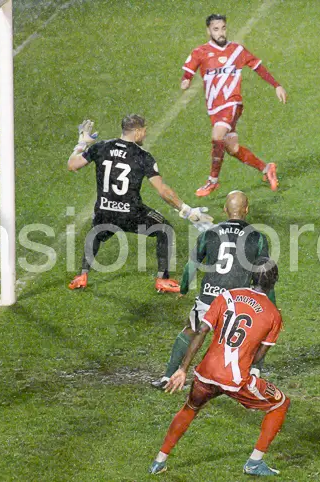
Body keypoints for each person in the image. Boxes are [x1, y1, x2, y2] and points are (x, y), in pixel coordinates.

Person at [149, 258, 288, 477]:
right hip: (235, 379)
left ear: (252, 277)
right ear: (275, 281)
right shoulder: (273, 314)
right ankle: (254, 463)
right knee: (280, 404)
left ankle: (159, 461)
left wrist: (183, 368)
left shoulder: (227, 296)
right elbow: (258, 355)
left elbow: (202, 331)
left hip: (206, 373)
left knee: (190, 408)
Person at [66, 115, 211, 292]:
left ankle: (82, 275)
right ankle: (162, 279)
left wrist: (82, 143)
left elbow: (72, 165)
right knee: (165, 229)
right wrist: (186, 210)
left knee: (96, 231)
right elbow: (163, 191)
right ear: (137, 131)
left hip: (105, 211)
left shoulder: (100, 147)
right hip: (131, 213)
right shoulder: (143, 156)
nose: (145, 135)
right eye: (144, 131)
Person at [151, 190, 274, 389]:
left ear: (225, 210)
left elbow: (191, 265)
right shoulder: (257, 238)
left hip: (209, 298)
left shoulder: (210, 233)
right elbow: (264, 274)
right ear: (247, 210)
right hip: (237, 303)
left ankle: (169, 376)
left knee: (191, 331)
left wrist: (183, 288)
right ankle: (252, 375)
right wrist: (269, 305)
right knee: (253, 335)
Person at [181, 13, 286, 197]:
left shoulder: (237, 51)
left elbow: (258, 66)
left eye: (223, 28)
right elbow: (189, 70)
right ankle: (266, 168)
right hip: (215, 108)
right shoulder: (200, 52)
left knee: (217, 136)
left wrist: (276, 85)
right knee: (232, 148)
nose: (220, 33)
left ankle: (212, 181)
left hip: (232, 103)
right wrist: (186, 80)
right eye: (216, 29)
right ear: (208, 31)